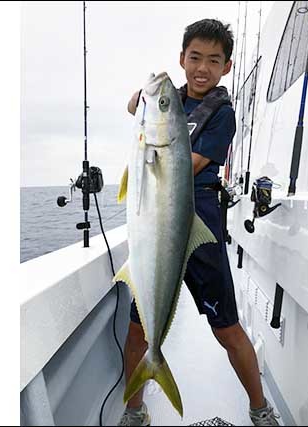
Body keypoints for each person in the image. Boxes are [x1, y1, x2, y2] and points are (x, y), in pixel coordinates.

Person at [117, 19, 280, 427]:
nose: (202, 68)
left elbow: (180, 167)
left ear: (226, 67)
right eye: (194, 58)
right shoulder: (169, 98)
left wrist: (152, 125)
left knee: (227, 329)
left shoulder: (222, 115)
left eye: (213, 60)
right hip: (156, 227)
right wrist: (148, 100)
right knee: (138, 331)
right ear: (182, 59)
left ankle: (259, 408)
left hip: (198, 222)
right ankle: (135, 410)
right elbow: (136, 102)